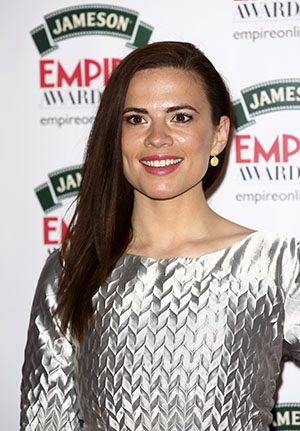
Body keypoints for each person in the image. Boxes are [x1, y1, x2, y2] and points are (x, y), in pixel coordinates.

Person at [20, 41, 300, 431]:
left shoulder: (277, 266)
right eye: (136, 119)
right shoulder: (71, 269)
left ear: (219, 135)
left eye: (180, 117)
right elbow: (44, 422)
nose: (157, 138)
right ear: (115, 136)